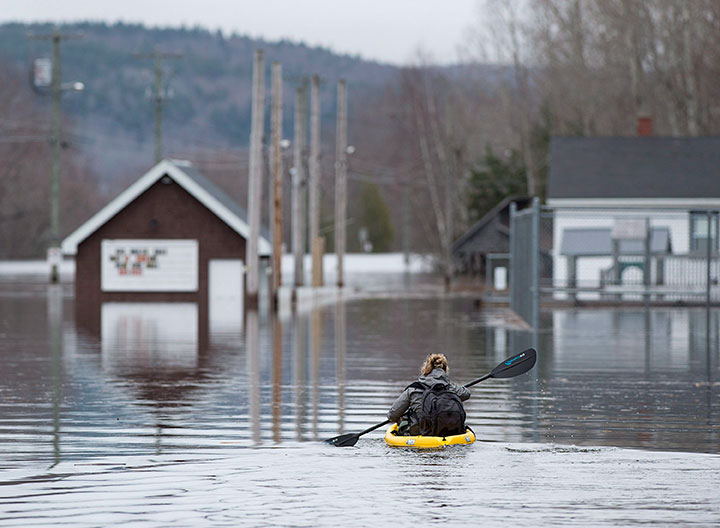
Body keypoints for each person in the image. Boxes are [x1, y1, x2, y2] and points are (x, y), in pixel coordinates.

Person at [387, 353, 470, 436]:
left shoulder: (413, 389)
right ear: (445, 370)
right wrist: (451, 385)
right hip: (448, 432)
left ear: (425, 369)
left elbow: (392, 416)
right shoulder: (451, 388)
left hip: (420, 434)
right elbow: (466, 394)